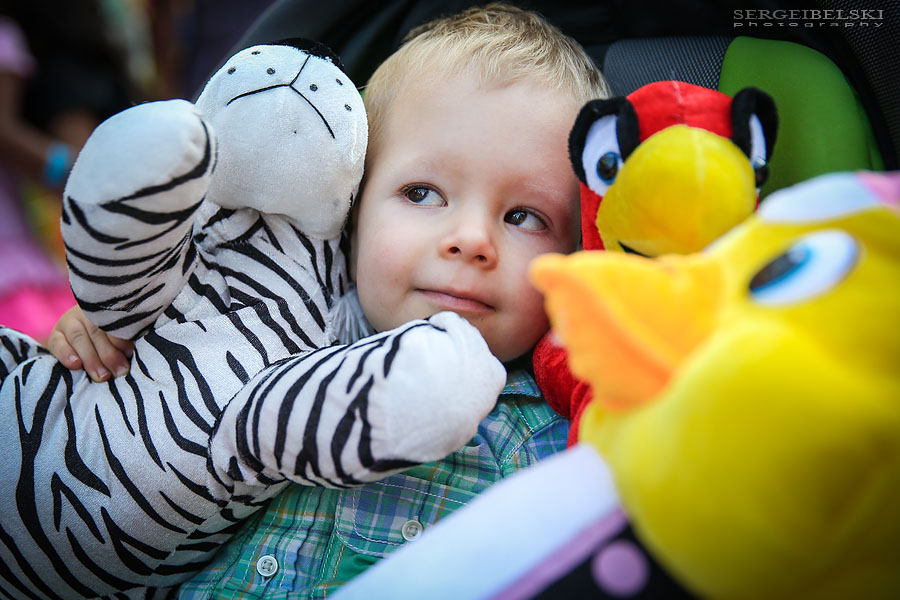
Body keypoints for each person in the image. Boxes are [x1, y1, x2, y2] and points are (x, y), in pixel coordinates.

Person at [48, 3, 609, 595]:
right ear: (355, 209)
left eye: (524, 216)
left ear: (578, 252)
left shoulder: (553, 447)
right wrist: (116, 327)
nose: (470, 240)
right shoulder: (264, 331)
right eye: (422, 193)